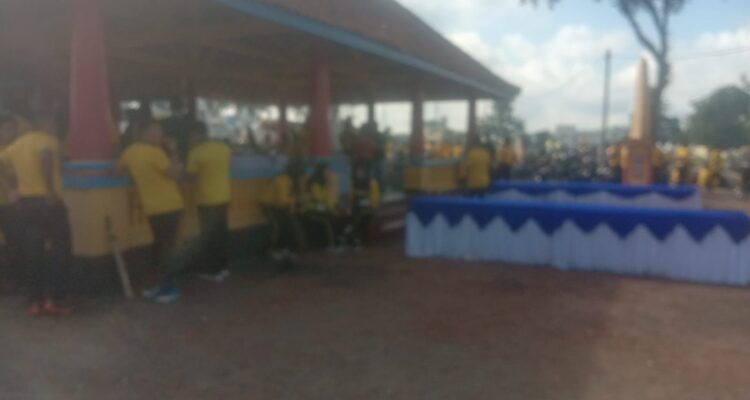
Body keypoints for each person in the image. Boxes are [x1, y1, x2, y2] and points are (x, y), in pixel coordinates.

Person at [0, 114, 72, 316]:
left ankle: (34, 302)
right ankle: (53, 299)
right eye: (53, 123)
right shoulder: (47, 140)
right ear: (46, 124)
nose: (55, 127)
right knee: (60, 249)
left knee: (33, 251)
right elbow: (44, 157)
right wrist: (49, 189)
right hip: (48, 203)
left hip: (26, 204)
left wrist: (10, 190)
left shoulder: (17, 145)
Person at [117, 119, 185, 303]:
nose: (160, 135)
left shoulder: (129, 152)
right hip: (170, 205)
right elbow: (175, 174)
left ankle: (160, 287)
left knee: (160, 248)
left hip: (152, 208)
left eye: (160, 131)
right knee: (168, 250)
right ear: (144, 133)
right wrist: (174, 152)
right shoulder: (157, 153)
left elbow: (119, 171)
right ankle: (169, 289)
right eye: (156, 131)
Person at [185, 121, 232, 282]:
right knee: (221, 234)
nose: (189, 139)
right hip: (224, 197)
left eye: (190, 136)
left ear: (196, 134)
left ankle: (213, 271)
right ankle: (224, 268)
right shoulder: (224, 148)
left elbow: (191, 177)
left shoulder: (195, 152)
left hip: (207, 199)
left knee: (209, 236)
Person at [260, 161, 306, 262]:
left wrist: (294, 204)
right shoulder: (283, 180)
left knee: (289, 223)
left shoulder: (289, 180)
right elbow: (282, 200)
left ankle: (285, 249)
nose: (301, 176)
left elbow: (286, 201)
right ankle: (270, 252)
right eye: (300, 173)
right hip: (268, 204)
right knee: (275, 226)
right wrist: (296, 200)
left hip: (278, 206)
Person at [0, 115, 23, 290]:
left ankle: (13, 280)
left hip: (11, 205)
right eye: (7, 129)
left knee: (14, 241)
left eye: (14, 129)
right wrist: (10, 189)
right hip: (6, 202)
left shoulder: (16, 149)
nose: (12, 133)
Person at [301, 162, 342, 251]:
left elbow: (328, 201)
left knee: (335, 217)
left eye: (330, 171)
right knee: (325, 221)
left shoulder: (324, 183)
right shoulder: (313, 183)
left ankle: (337, 242)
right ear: (321, 171)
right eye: (327, 171)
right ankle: (330, 245)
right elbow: (319, 198)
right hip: (310, 211)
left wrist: (329, 185)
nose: (329, 173)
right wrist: (329, 186)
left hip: (321, 210)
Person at [345, 161, 381, 249]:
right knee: (355, 214)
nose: (359, 173)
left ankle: (352, 234)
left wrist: (366, 195)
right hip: (356, 206)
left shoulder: (372, 182)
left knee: (360, 215)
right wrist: (356, 194)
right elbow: (350, 197)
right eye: (358, 171)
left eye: (361, 171)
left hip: (369, 207)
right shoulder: (353, 183)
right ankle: (352, 235)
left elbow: (375, 198)